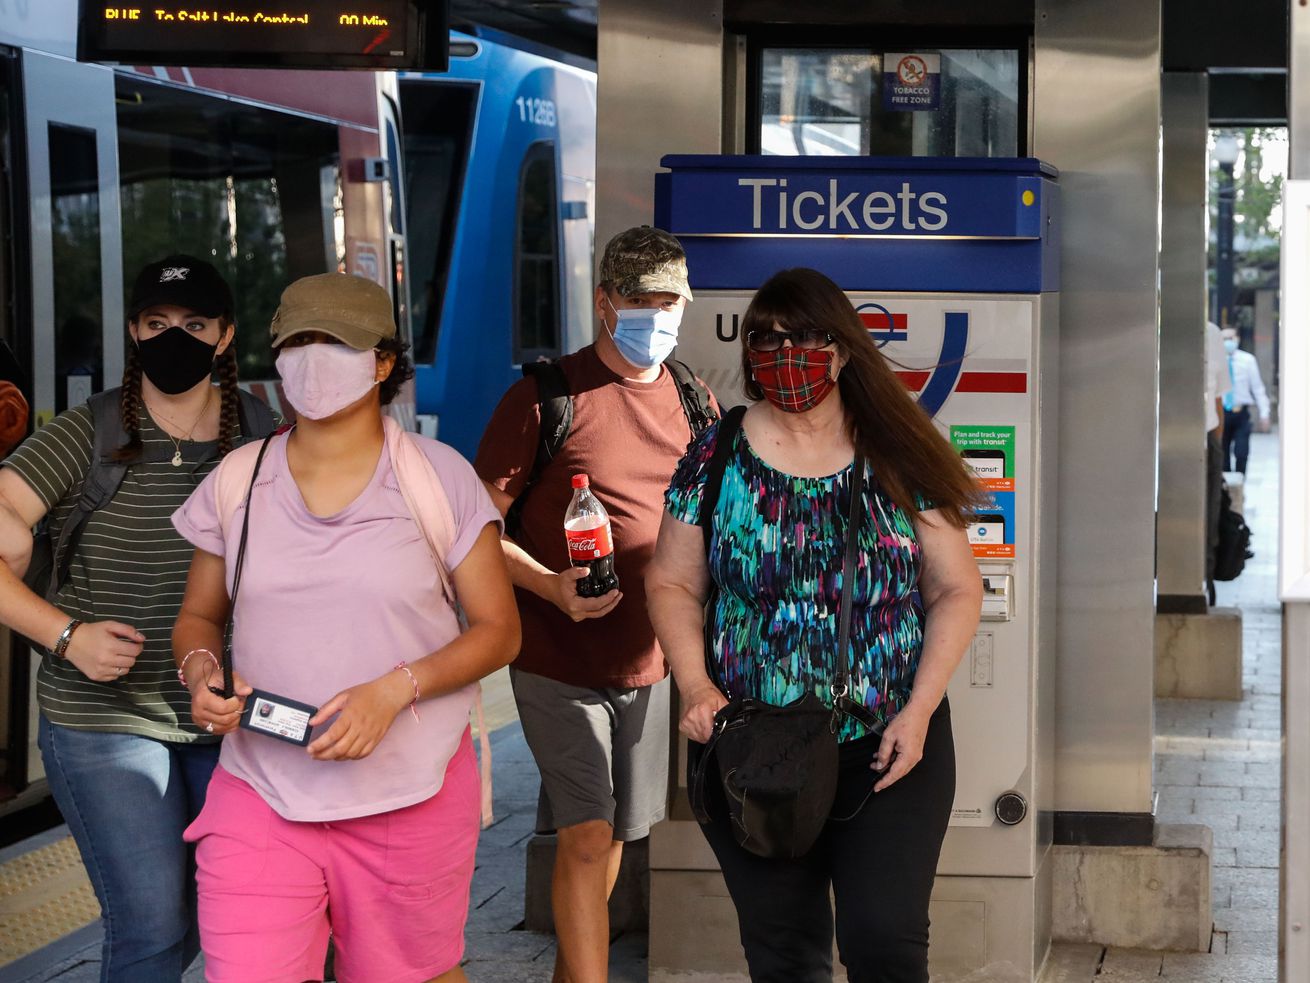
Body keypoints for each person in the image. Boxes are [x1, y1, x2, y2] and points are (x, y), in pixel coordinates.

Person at [172, 272, 519, 983]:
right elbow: (200, 617)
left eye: (335, 340)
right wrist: (201, 671)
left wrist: (394, 691)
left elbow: (498, 630)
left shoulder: (439, 477)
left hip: (409, 793)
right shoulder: (236, 480)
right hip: (260, 790)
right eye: (297, 340)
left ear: (383, 361)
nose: (313, 356)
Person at [647, 268, 985, 983]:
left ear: (841, 350)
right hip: (750, 746)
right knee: (785, 955)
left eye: (803, 336)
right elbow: (673, 579)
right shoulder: (716, 454)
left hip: (889, 745)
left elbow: (956, 587)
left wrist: (920, 710)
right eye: (765, 337)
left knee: (885, 943)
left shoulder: (898, 448)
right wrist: (694, 684)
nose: (783, 351)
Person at [0, 255, 272, 981]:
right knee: (152, 923)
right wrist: (66, 636)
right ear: (133, 329)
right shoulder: (83, 436)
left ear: (224, 336)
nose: (172, 337)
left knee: (210, 914)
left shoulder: (262, 434)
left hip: (223, 716)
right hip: (103, 720)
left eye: (193, 324)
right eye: (156, 323)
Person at [474, 226, 714, 983]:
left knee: (613, 836)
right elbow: (474, 527)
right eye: (639, 300)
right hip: (555, 659)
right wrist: (549, 587)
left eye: (668, 301)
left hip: (648, 665)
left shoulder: (694, 400)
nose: (655, 316)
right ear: (605, 302)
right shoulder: (546, 396)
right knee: (584, 831)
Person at [1220, 325, 1271, 475]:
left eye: (1231, 338)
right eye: (1224, 339)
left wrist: (1264, 414)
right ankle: (1225, 492)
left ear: (1237, 339)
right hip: (1221, 413)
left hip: (1241, 413)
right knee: (1222, 457)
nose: (1228, 342)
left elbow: (1258, 389)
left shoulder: (1247, 360)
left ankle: (1239, 487)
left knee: (1241, 453)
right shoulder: (1215, 361)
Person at [1205, 321, 1232, 604]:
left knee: (1208, 515)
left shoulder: (1211, 333)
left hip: (1206, 434)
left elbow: (1218, 398)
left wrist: (1217, 446)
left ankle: (1206, 580)